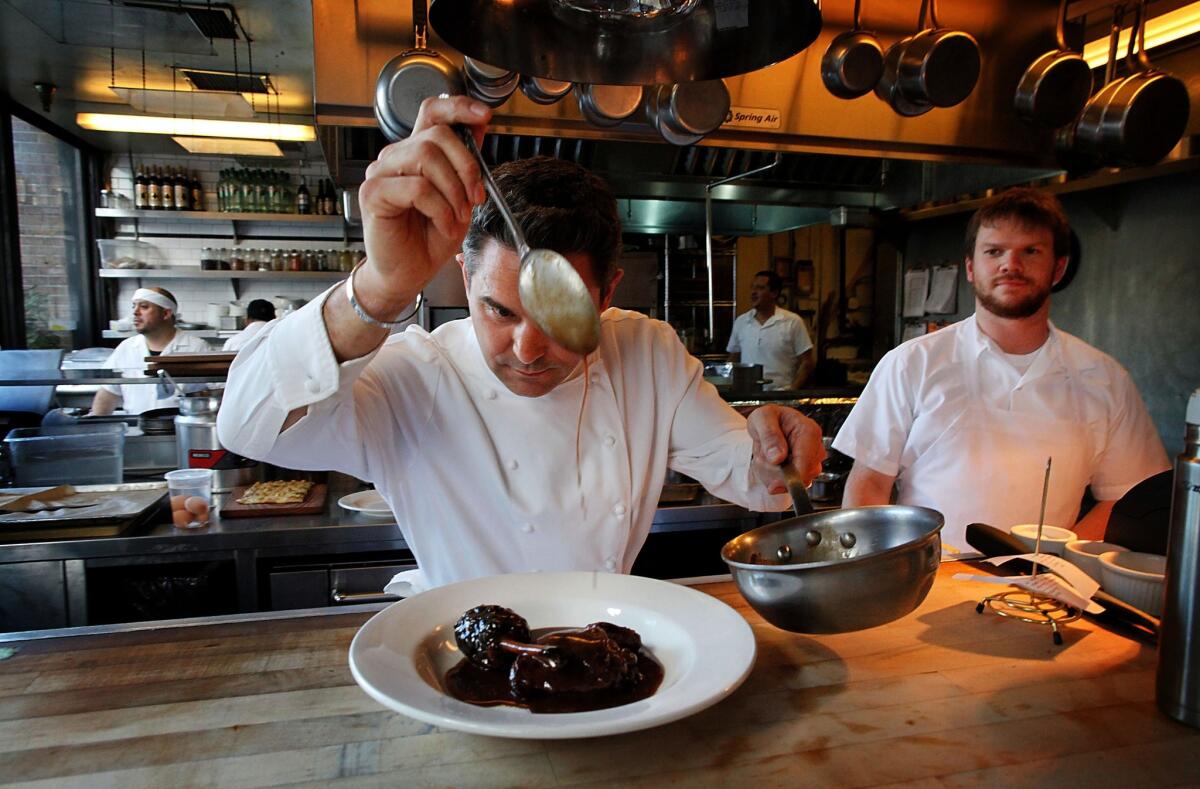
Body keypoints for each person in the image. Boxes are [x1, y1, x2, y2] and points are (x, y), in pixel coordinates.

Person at [217, 95, 824, 591]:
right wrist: (380, 288)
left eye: (563, 317)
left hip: (603, 640)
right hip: (461, 653)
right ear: (463, 275)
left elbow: (750, 476)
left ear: (608, 290)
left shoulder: (646, 352)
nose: (528, 349)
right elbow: (247, 426)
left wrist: (777, 448)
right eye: (498, 310)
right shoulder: (416, 373)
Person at [833, 188, 1169, 557]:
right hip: (925, 583)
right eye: (995, 251)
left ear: (1058, 268)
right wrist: (880, 571)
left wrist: (1058, 562)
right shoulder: (912, 362)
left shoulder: (1105, 378)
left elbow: (1125, 500)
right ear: (971, 268)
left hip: (1044, 593)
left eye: (1030, 251)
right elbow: (869, 485)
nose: (1011, 264)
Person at [90, 287, 212, 415]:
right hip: (136, 427)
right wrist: (96, 424)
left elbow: (217, 391)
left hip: (181, 428)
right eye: (134, 306)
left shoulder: (197, 348)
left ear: (166, 314)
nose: (135, 312)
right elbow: (108, 392)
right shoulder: (126, 347)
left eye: (144, 307)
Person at [726, 270, 815, 390]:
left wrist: (792, 391)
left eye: (760, 288)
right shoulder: (741, 322)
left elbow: (807, 362)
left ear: (774, 293)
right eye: (752, 287)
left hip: (780, 394)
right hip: (747, 394)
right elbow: (734, 358)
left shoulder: (792, 321)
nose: (753, 292)